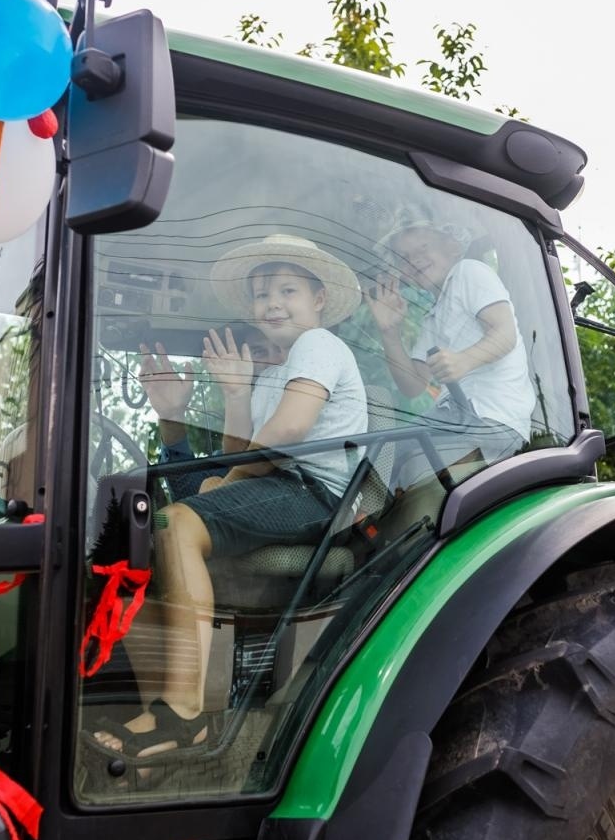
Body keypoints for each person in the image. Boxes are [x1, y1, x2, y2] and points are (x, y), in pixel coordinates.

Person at [89, 234, 366, 769]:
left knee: (172, 523)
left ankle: (187, 712)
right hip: (276, 488)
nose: (272, 303)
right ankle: (158, 722)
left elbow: (286, 434)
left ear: (319, 301)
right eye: (261, 295)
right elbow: (234, 456)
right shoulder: (276, 373)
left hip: (315, 495)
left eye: (287, 289)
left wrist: (231, 476)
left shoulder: (319, 344)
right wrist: (227, 398)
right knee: (139, 549)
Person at [368, 220, 534, 479]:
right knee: (383, 459)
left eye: (423, 248)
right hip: (455, 418)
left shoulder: (469, 271)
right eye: (405, 257)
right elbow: (413, 386)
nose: (414, 260)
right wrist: (390, 332)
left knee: (410, 475)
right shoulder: (432, 317)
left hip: (489, 419)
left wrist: (463, 361)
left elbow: (505, 333)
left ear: (452, 247)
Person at [136, 325, 282, 502]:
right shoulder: (239, 441)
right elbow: (189, 494)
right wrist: (172, 416)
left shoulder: (322, 435)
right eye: (259, 352)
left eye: (281, 348)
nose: (274, 361)